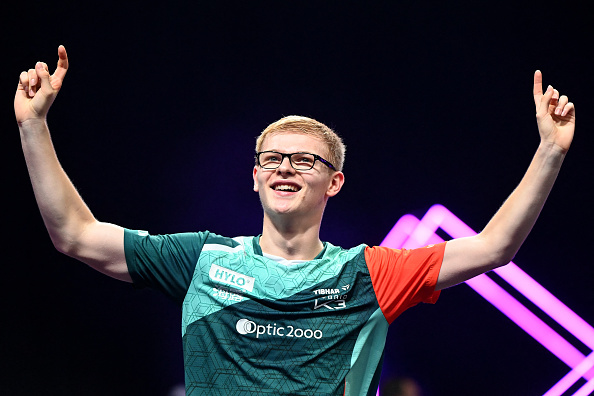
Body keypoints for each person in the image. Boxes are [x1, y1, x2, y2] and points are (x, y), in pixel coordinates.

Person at [15, 45, 575, 396]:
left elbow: (495, 246)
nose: (286, 168)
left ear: (333, 183)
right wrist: (32, 127)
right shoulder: (202, 259)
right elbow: (75, 234)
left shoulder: (370, 274)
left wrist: (549, 151)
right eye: (272, 159)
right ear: (255, 177)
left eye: (304, 160)